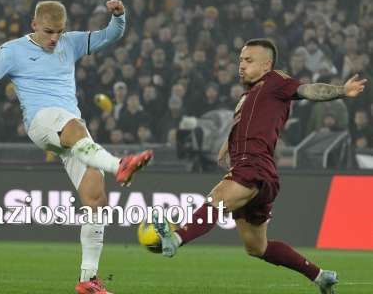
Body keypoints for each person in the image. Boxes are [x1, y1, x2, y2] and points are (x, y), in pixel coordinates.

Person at [152, 38, 366, 294]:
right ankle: (320, 276)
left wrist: (342, 90)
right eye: (240, 60)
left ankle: (175, 238)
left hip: (255, 165)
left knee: (217, 199)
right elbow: (243, 125)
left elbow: (309, 90)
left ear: (267, 65)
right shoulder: (251, 94)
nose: (241, 65)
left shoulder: (277, 81)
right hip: (256, 169)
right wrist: (226, 146)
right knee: (257, 247)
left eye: (248, 60)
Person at [0, 0, 153, 294]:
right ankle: (119, 165)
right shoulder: (13, 50)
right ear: (34, 25)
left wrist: (119, 17)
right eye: (48, 31)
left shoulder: (71, 43)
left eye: (59, 31)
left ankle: (88, 279)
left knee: (96, 200)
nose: (54, 38)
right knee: (77, 127)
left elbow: (110, 35)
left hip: (71, 132)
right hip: (42, 122)